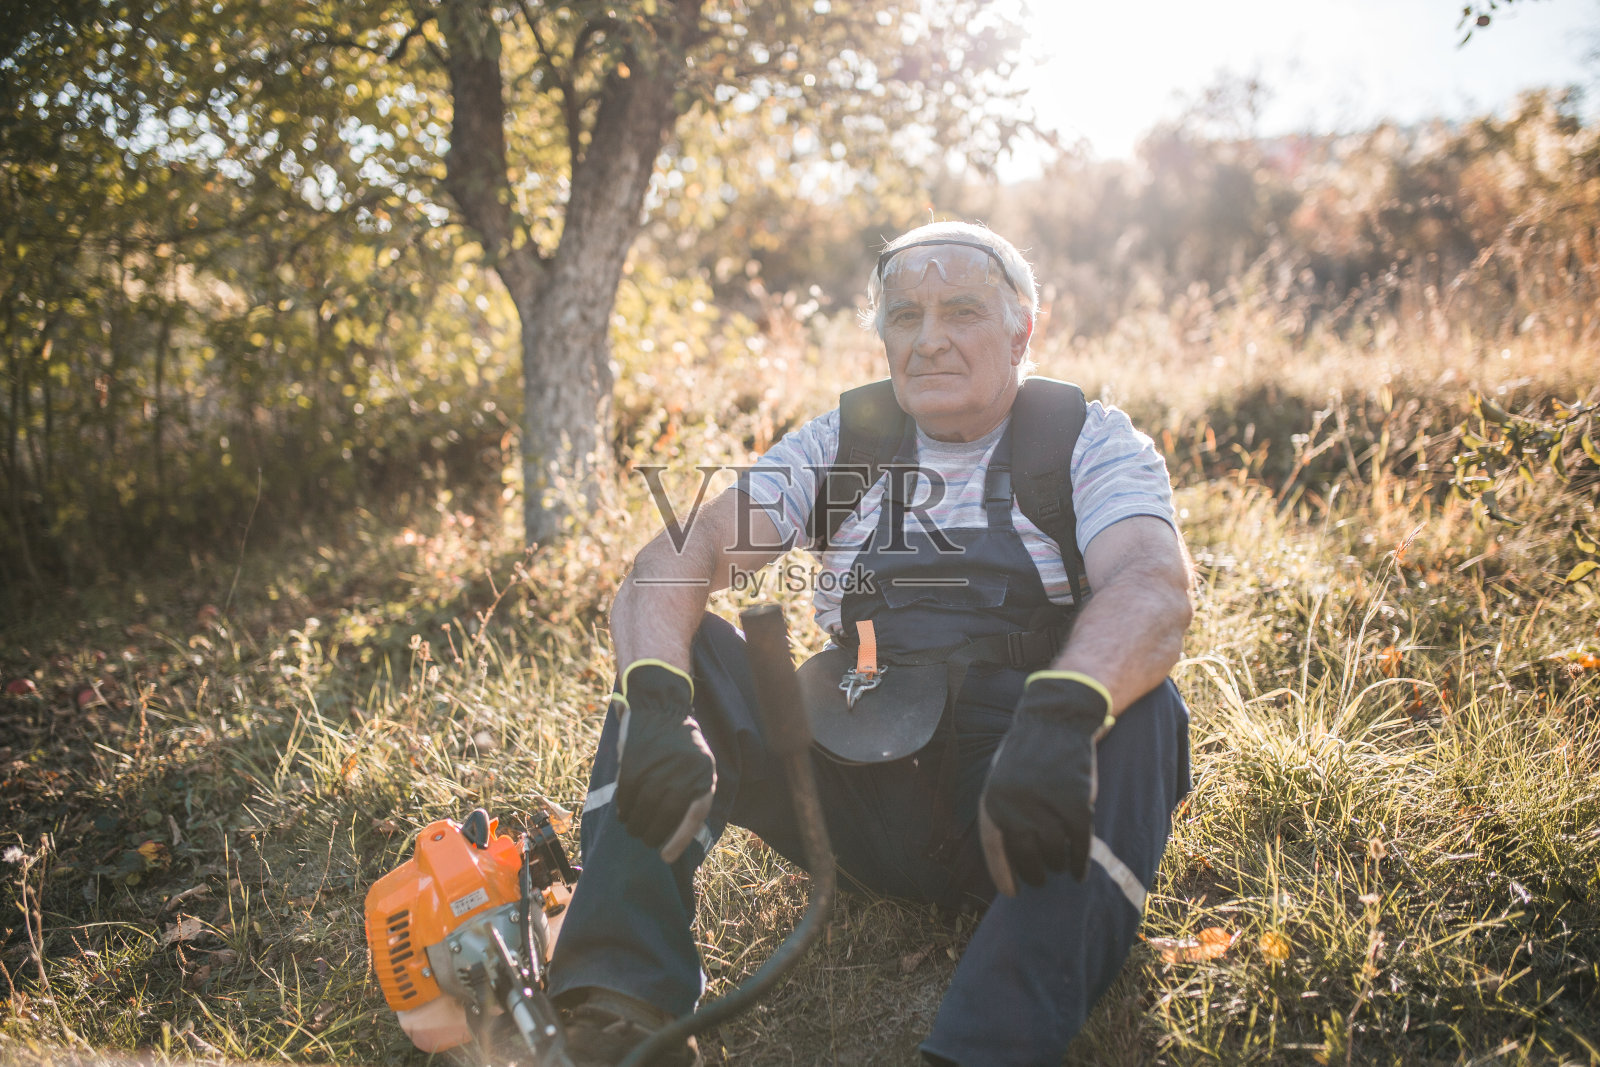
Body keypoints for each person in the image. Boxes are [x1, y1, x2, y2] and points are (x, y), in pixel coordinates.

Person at [546, 220, 1194, 1067]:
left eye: (961, 310)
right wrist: (660, 700)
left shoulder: (1083, 440)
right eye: (904, 315)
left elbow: (1151, 584)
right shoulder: (847, 443)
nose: (928, 340)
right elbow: (682, 554)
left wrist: (1064, 716)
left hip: (1023, 798)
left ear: (1022, 330)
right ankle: (619, 1008)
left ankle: (984, 1047)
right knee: (683, 652)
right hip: (846, 789)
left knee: (1149, 708)